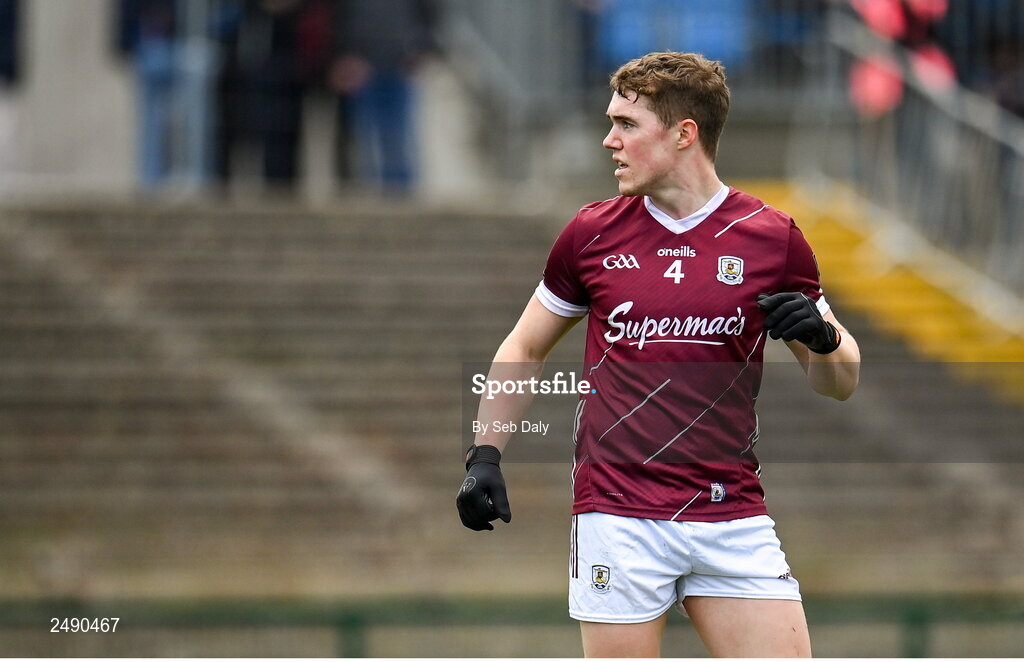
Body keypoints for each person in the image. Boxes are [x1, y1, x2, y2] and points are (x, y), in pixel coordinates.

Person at [456, 51, 861, 658]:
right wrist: (485, 453)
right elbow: (525, 345)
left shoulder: (773, 239)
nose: (608, 140)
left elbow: (839, 382)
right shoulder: (590, 234)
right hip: (618, 515)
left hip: (731, 514)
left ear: (682, 134)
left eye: (625, 124)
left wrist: (826, 341)